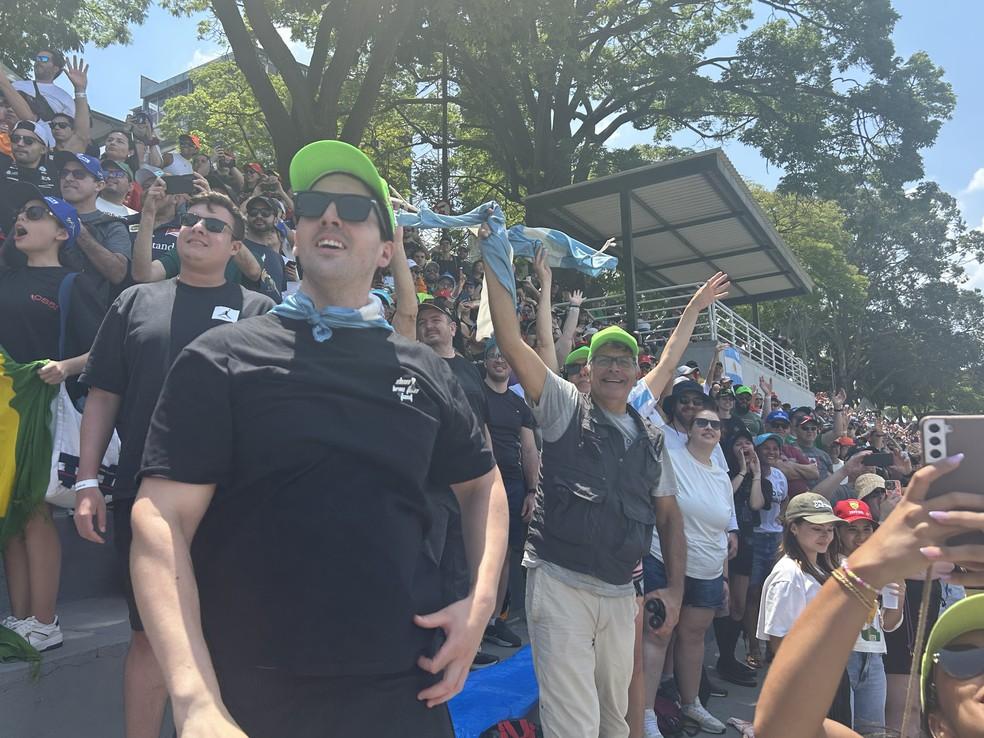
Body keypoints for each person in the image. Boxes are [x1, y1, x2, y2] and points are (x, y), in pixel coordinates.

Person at [129, 140, 508, 737]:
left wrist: (481, 604)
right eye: (314, 203)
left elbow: (483, 487)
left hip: (406, 691)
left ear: (387, 250)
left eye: (354, 208)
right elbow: (160, 520)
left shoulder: (426, 370)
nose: (331, 215)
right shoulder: (219, 358)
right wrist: (194, 698)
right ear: (297, 230)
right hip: (252, 699)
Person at [74, 190, 274, 738]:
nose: (198, 228)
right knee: (150, 637)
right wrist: (88, 479)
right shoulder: (135, 302)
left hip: (236, 501)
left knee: (230, 635)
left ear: (235, 246)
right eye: (190, 220)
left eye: (214, 225)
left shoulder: (261, 312)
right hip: (144, 498)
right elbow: (103, 395)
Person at [486, 244, 684, 738]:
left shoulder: (652, 437)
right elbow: (511, 341)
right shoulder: (563, 407)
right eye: (604, 360)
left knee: (614, 720)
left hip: (621, 593)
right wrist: (493, 257)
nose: (615, 368)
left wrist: (676, 590)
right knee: (572, 723)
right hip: (559, 583)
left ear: (638, 371)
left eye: (624, 360)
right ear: (589, 369)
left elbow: (670, 518)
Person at [753, 455, 984, 738]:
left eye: (828, 528)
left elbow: (887, 622)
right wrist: (867, 568)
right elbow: (782, 723)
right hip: (846, 660)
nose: (826, 535)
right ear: (938, 727)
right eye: (965, 659)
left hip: (872, 656)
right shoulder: (794, 573)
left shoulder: (830, 571)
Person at [0, 185, 104, 651]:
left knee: (34, 507)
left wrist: (64, 367)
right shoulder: (5, 278)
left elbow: (106, 346)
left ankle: (44, 620)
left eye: (36, 214)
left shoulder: (73, 284)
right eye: (21, 214)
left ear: (64, 232)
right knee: (12, 511)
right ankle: (20, 618)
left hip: (44, 410)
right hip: (5, 411)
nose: (23, 219)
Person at [645, 407, 735, 734]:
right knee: (658, 635)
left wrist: (724, 575)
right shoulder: (669, 457)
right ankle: (645, 714)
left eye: (715, 424)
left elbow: (722, 531)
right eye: (702, 423)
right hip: (664, 561)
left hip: (709, 569)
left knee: (694, 638)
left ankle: (691, 703)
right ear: (690, 429)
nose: (709, 428)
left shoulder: (722, 476)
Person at [481, 339, 540, 649]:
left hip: (515, 485)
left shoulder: (520, 405)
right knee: (477, 553)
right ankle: (475, 622)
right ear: (486, 362)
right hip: (481, 483)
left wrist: (532, 490)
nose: (499, 361)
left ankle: (494, 621)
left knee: (505, 555)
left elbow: (529, 450)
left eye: (504, 357)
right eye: (493, 356)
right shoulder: (476, 395)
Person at [830, 498, 904, 734]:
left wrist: (899, 596)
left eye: (866, 528)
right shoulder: (828, 563)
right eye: (852, 529)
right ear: (838, 531)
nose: (861, 536)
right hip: (841, 658)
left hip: (873, 656)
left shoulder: (878, 565)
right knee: (843, 730)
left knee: (875, 732)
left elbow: (889, 624)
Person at [716, 429, 767, 685]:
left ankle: (728, 658)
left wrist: (755, 474)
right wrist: (742, 471)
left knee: (739, 603)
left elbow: (757, 504)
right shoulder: (722, 471)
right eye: (739, 443)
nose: (744, 447)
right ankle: (723, 659)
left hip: (746, 541)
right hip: (724, 539)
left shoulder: (760, 475)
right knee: (722, 605)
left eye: (748, 442)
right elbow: (726, 494)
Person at [742, 432, 790, 670]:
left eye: (775, 448)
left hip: (777, 538)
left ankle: (773, 647)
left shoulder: (781, 475)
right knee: (753, 594)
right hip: (755, 538)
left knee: (774, 595)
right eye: (766, 448)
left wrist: (783, 515)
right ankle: (752, 646)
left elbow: (785, 500)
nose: (771, 451)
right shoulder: (751, 475)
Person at [53, 151, 132, 298]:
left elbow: (118, 274)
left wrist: (78, 230)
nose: (68, 178)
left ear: (99, 185)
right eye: (64, 173)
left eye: (79, 174)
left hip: (86, 312)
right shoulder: (45, 213)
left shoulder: (113, 225)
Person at [12, 50, 76, 118]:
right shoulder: (16, 85)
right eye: (37, 59)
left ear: (55, 69)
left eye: (44, 59)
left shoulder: (65, 99)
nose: (38, 61)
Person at [791, 409, 835, 481]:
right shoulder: (787, 450)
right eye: (805, 428)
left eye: (813, 428)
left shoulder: (825, 456)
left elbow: (831, 480)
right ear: (796, 430)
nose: (810, 431)